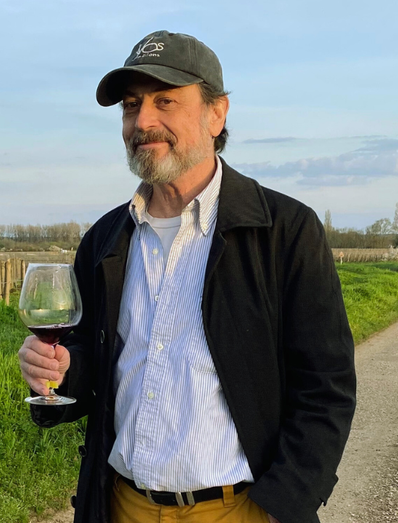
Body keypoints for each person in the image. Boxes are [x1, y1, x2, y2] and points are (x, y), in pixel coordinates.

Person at [18, 30, 356, 523]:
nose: (142, 121)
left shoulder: (284, 231)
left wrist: (284, 506)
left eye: (165, 101)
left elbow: (326, 386)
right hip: (122, 505)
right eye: (131, 106)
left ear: (216, 114)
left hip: (238, 510)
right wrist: (59, 368)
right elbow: (93, 360)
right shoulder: (105, 239)